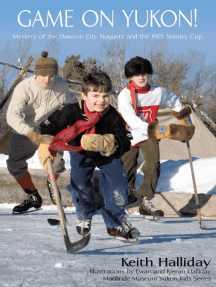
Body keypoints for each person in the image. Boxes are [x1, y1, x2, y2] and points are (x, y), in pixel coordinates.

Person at [38, 71, 140, 242]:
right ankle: (84, 215)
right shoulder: (71, 111)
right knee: (80, 186)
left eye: (105, 95)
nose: (101, 100)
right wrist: (44, 143)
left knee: (117, 187)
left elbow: (125, 140)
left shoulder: (112, 116)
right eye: (96, 95)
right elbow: (48, 127)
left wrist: (109, 142)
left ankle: (115, 224)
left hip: (108, 156)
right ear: (84, 96)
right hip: (80, 154)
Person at [118, 56, 195, 220]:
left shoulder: (157, 92)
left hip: (149, 135)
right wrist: (159, 130)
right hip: (130, 133)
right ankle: (125, 196)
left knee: (153, 165)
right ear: (131, 77)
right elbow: (132, 120)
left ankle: (146, 200)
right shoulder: (124, 95)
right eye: (137, 74)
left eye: (144, 73)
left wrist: (185, 121)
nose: (141, 77)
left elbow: (175, 101)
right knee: (127, 167)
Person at [6, 51, 77, 213]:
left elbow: (73, 105)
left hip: (48, 129)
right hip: (25, 129)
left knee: (57, 163)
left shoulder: (61, 86)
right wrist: (30, 132)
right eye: (43, 75)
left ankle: (52, 182)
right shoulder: (24, 88)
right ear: (36, 73)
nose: (47, 79)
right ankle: (33, 196)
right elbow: (12, 116)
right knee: (15, 165)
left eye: (51, 75)